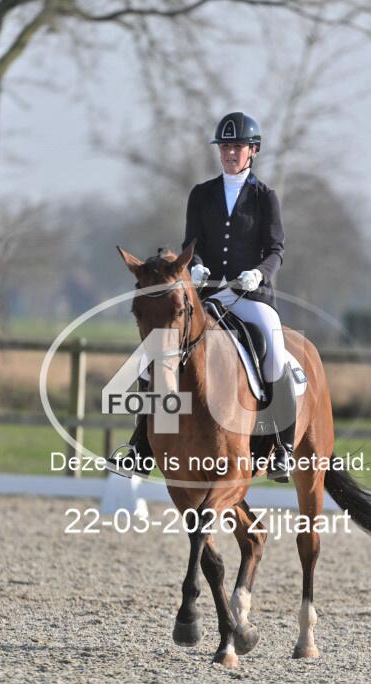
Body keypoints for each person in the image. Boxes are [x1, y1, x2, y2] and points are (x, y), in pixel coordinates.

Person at [108, 112, 296, 482]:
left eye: (237, 147)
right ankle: (141, 447)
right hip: (207, 295)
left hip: (250, 296)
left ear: (253, 151)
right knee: (154, 355)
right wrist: (195, 269)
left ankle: (283, 447)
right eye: (225, 147)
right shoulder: (201, 194)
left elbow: (276, 249)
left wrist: (259, 273)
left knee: (274, 351)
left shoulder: (265, 197)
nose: (230, 153)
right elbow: (191, 243)